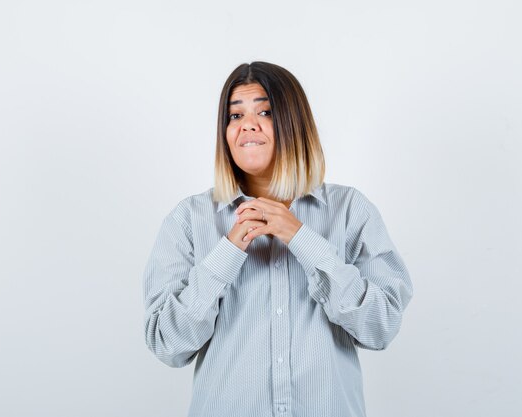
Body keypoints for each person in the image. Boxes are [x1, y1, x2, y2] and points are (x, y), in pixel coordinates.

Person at [143, 61, 413, 417]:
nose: (247, 125)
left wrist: (301, 238)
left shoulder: (351, 211)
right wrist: (226, 254)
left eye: (265, 111)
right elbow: (167, 345)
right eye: (234, 115)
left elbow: (381, 327)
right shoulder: (188, 219)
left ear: (293, 122)